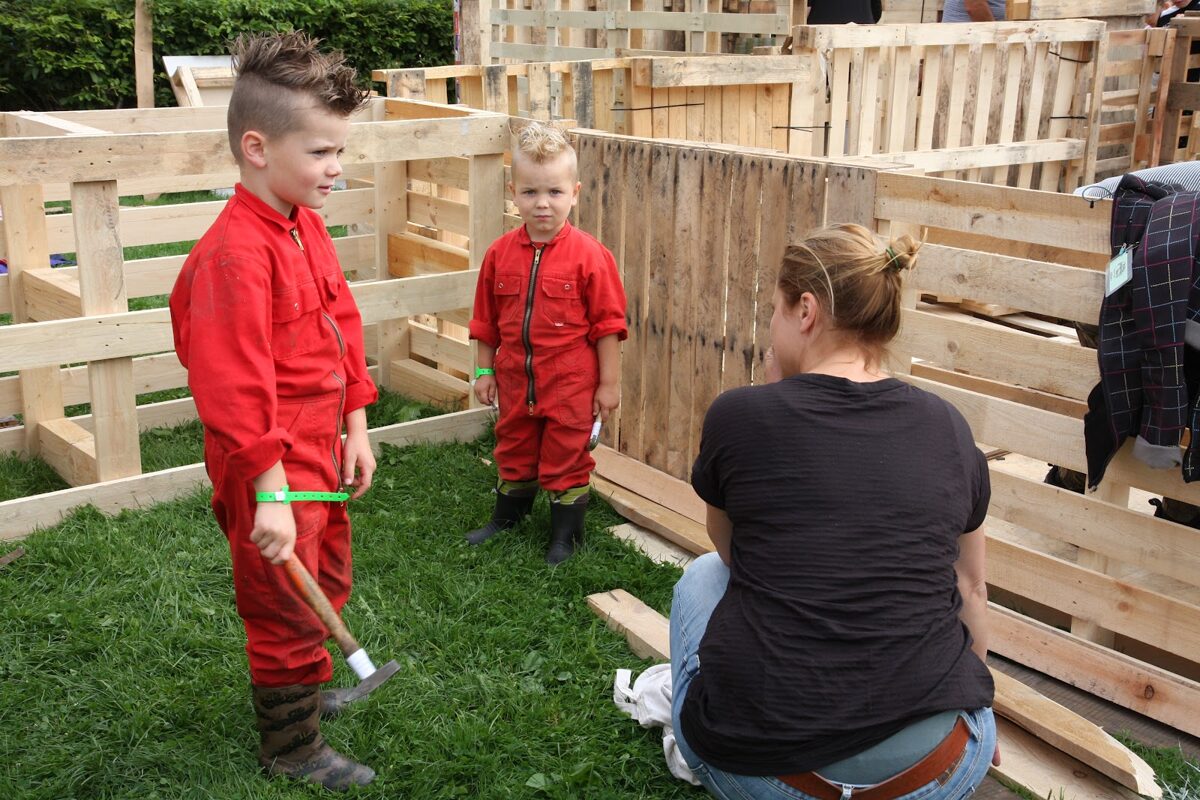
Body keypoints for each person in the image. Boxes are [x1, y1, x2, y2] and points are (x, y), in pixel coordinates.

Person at [670, 224, 1000, 800]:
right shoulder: (949, 426)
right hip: (941, 769)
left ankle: (703, 756)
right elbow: (971, 587)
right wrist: (970, 704)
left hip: (774, 777)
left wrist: (772, 391)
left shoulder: (739, 416)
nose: (771, 326)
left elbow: (735, 553)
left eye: (773, 309)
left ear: (805, 310)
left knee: (702, 576)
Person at [169, 31, 379, 790]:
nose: (337, 169)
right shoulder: (235, 256)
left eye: (339, 152)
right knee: (283, 598)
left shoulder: (304, 225)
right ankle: (289, 744)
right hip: (269, 463)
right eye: (321, 153)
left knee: (325, 572)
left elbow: (342, 325)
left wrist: (357, 426)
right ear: (256, 147)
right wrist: (269, 490)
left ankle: (308, 687)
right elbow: (232, 387)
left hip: (319, 447)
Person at [465, 121, 627, 564]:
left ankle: (564, 537)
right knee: (513, 446)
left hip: (570, 386)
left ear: (574, 192)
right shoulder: (498, 254)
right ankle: (507, 518)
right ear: (513, 190)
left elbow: (608, 328)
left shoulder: (592, 256)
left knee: (566, 456)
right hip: (515, 381)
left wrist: (608, 387)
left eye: (554, 193)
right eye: (531, 192)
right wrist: (483, 371)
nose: (542, 204)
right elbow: (485, 322)